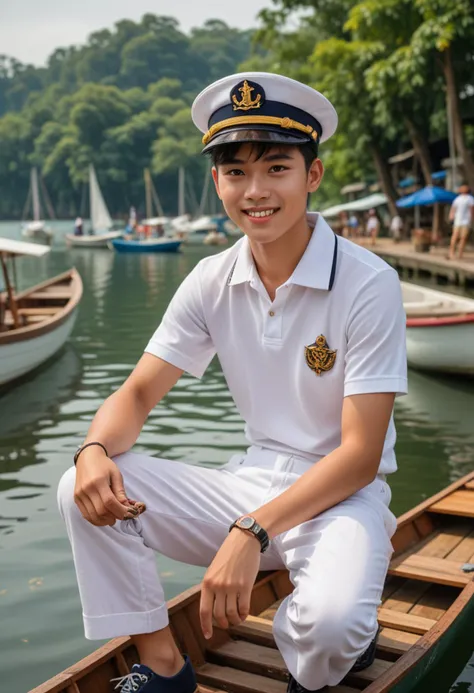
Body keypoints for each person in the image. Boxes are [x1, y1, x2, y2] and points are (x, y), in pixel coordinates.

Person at [57, 72, 407, 693]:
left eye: (277, 168)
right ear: (217, 182)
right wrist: (90, 451)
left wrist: (251, 531)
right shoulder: (211, 279)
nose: (256, 191)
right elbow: (137, 394)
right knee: (82, 487)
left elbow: (359, 456)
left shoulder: (367, 282)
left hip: (343, 499)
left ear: (313, 176)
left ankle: (344, 641)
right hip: (251, 481)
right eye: (236, 172)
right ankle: (164, 667)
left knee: (328, 629)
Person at [448, 184, 474, 260]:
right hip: (461, 221)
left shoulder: (468, 199)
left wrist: (451, 217)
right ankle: (453, 253)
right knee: (460, 237)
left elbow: (471, 210)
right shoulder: (459, 199)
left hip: (463, 221)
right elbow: (453, 209)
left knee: (458, 237)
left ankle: (458, 253)